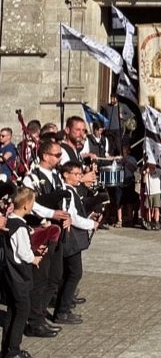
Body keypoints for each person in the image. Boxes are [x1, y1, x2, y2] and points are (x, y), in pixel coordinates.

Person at [21, 140, 71, 338]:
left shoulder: (57, 175)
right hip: (40, 231)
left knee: (54, 276)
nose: (60, 158)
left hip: (57, 231)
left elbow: (65, 197)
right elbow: (31, 204)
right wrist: (53, 214)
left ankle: (41, 315)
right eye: (57, 154)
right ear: (45, 156)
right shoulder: (30, 178)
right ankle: (34, 322)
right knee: (40, 279)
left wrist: (67, 216)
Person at [2, 187, 44, 358]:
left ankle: (6, 349)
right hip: (19, 275)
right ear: (26, 205)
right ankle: (13, 350)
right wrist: (34, 258)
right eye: (32, 202)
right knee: (22, 313)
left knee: (12, 312)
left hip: (9, 275)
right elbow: (23, 253)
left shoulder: (7, 222)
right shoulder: (19, 226)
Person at [55, 159, 97, 324]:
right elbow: (72, 216)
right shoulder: (67, 192)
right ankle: (62, 310)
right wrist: (90, 224)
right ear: (66, 175)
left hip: (73, 237)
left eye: (81, 174)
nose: (80, 177)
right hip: (70, 238)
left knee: (69, 273)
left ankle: (64, 305)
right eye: (76, 174)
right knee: (74, 273)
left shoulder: (71, 190)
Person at [143, 161, 161, 230]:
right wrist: (146, 173)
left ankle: (156, 222)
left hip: (156, 192)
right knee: (148, 208)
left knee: (156, 207)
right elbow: (144, 181)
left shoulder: (158, 171)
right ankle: (149, 222)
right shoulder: (146, 173)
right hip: (149, 192)